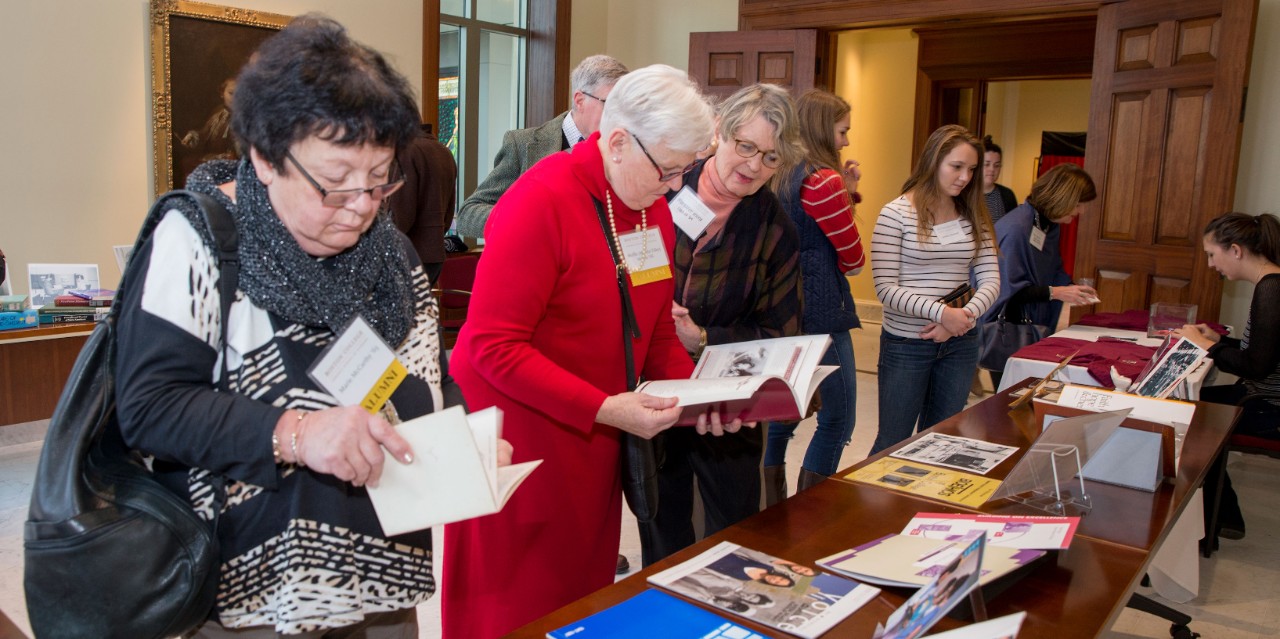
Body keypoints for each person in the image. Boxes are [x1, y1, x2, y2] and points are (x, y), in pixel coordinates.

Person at [113, 16, 508, 637]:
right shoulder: (198, 241)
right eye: (335, 185)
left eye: (380, 182)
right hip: (250, 588)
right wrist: (297, 433)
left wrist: (466, 443)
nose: (360, 209)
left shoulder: (389, 253)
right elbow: (150, 406)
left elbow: (424, 376)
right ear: (266, 157)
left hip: (383, 573)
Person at [441, 64, 716, 639]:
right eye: (667, 169)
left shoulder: (648, 210)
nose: (673, 186)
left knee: (581, 601)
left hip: (595, 437)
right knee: (517, 605)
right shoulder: (540, 200)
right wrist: (606, 407)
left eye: (683, 171)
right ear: (617, 142)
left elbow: (655, 328)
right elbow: (491, 348)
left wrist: (696, 395)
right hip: (523, 442)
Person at [641, 83, 805, 566]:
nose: (753, 166)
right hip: (653, 388)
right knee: (660, 524)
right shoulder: (664, 190)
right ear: (719, 133)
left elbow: (783, 333)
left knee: (733, 533)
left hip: (728, 402)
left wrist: (707, 338)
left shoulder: (774, 229)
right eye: (746, 146)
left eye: (770, 158)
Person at [870, 124, 1000, 454]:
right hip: (906, 344)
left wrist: (961, 318)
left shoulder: (974, 214)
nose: (965, 177)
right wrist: (942, 313)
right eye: (956, 167)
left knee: (941, 441)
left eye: (971, 169)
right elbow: (885, 289)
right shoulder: (896, 213)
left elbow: (991, 280)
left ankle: (921, 506)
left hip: (960, 341)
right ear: (933, 162)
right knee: (893, 442)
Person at [763, 89, 867, 498]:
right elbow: (854, 259)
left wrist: (850, 192)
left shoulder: (777, 173)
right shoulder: (824, 182)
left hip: (780, 311)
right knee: (838, 420)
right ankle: (810, 509)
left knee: (780, 416)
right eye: (843, 131)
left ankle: (766, 504)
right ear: (824, 130)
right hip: (822, 314)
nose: (845, 141)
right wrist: (845, 194)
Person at [1172, 212, 1280, 546]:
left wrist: (1206, 347)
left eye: (1211, 254)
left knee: (1190, 414)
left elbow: (1257, 366)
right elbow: (1264, 351)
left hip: (1269, 408)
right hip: (1262, 397)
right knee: (1197, 407)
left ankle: (1214, 523)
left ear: (1235, 250)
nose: (1210, 264)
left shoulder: (1271, 289)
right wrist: (1218, 343)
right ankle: (1223, 515)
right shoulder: (1271, 283)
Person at [455, 54, 629, 237]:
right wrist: (526, 222)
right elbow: (468, 214)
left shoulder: (625, 149)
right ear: (579, 100)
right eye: (609, 104)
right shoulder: (523, 144)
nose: (617, 116)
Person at [980, 163, 1098, 388]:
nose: (1081, 212)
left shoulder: (1047, 226)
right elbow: (1005, 290)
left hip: (1033, 324)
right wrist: (1056, 292)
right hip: (1009, 330)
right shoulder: (1016, 228)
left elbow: (1052, 269)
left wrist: (1072, 288)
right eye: (1079, 204)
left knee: (1025, 397)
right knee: (1011, 399)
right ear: (1062, 198)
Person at [387, 124, 457, 284]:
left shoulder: (407, 152)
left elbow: (401, 214)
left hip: (407, 256)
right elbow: (448, 212)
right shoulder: (443, 151)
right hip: (434, 255)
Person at [981, 135, 1018, 224]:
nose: (992, 169)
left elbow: (1013, 226)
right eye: (986, 164)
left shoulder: (1007, 195)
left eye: (996, 165)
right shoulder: (965, 193)